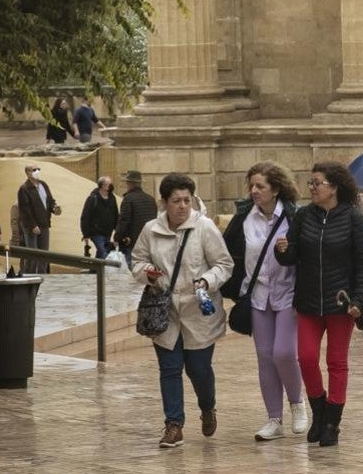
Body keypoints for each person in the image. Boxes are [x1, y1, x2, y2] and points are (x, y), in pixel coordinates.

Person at [274, 161, 363, 448]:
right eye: (311, 183)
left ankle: (333, 421)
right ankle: (318, 412)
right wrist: (281, 250)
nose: (311, 188)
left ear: (333, 188)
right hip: (308, 302)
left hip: (341, 304)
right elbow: (290, 256)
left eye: (316, 183)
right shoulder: (304, 215)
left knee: (336, 363)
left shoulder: (354, 218)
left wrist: (360, 300)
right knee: (305, 358)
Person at [131, 173, 234, 449]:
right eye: (176, 200)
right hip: (164, 313)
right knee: (169, 368)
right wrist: (148, 273)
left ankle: (208, 406)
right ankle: (173, 424)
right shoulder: (150, 230)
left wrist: (206, 281)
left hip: (198, 312)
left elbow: (224, 265)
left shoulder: (205, 228)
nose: (182, 206)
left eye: (187, 200)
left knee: (199, 370)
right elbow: (137, 261)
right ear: (164, 202)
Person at [221, 162, 307, 442]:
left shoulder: (294, 216)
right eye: (252, 186)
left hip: (288, 294)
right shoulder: (244, 218)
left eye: (260, 186)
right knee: (265, 358)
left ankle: (297, 403)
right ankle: (274, 419)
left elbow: (304, 253)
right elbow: (229, 252)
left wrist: (289, 251)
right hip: (257, 295)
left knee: (284, 353)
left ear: (276, 189)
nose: (254, 191)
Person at [16, 164, 60, 274]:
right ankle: (29, 275)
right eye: (34, 170)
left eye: (38, 169)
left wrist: (54, 208)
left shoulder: (43, 185)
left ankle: (43, 276)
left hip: (44, 224)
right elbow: (24, 210)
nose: (37, 171)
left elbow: (50, 200)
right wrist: (32, 225)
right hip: (31, 227)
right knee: (33, 255)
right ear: (27, 173)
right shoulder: (24, 189)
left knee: (44, 254)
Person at [114, 170, 158, 268]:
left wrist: (117, 237)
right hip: (149, 240)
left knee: (132, 268)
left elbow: (124, 221)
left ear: (129, 184)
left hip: (132, 241)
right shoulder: (150, 199)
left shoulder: (128, 199)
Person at [79, 176, 118, 260]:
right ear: (102, 186)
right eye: (109, 184)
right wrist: (86, 233)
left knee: (100, 255)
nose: (111, 186)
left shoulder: (112, 198)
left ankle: (94, 271)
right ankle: (109, 270)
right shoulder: (93, 198)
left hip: (108, 232)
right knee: (103, 253)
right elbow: (85, 216)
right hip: (96, 233)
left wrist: (117, 230)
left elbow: (115, 215)